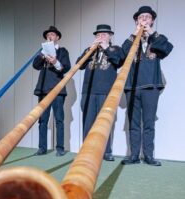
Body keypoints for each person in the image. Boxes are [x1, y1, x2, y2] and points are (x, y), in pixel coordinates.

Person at [121, 6, 173, 166]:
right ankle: (134, 155)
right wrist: (135, 35)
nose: (144, 19)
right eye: (141, 17)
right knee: (134, 123)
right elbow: (121, 55)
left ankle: (149, 155)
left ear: (152, 21)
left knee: (149, 123)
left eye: (147, 17)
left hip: (151, 87)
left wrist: (150, 33)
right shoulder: (131, 40)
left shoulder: (157, 39)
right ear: (136, 21)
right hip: (132, 87)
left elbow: (167, 48)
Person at [76, 24, 123, 161]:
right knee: (88, 122)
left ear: (110, 36)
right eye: (98, 35)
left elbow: (118, 61)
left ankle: (106, 151)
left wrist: (106, 48)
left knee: (104, 122)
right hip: (88, 91)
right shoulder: (90, 50)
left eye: (103, 34)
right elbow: (79, 65)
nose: (100, 36)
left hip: (106, 91)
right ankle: (86, 150)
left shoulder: (116, 49)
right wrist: (90, 50)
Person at [33, 25, 71, 156]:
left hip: (58, 90)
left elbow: (66, 68)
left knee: (59, 119)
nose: (50, 36)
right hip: (43, 90)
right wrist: (42, 56)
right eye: (48, 35)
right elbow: (35, 66)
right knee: (42, 120)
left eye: (53, 35)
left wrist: (55, 62)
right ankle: (42, 148)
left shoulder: (63, 51)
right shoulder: (42, 52)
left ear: (57, 37)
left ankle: (60, 148)